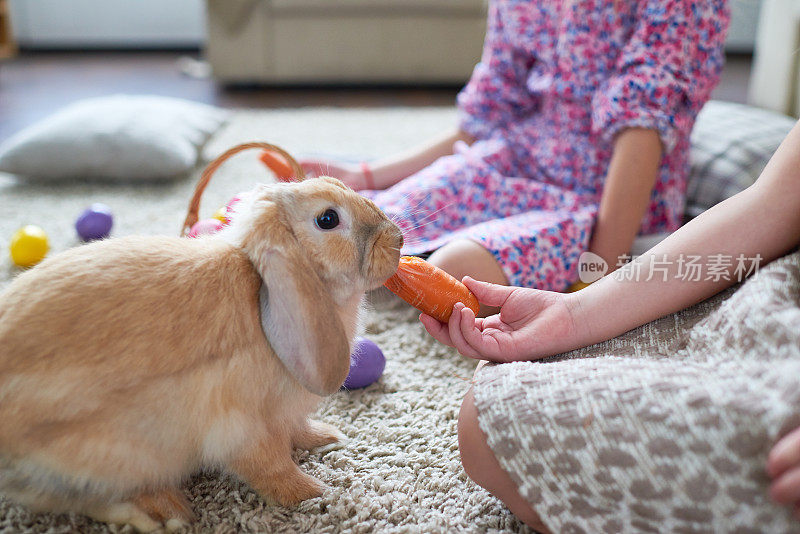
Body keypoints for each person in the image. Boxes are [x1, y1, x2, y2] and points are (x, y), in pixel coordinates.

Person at [421, 118, 800, 532]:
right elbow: (771, 205)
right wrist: (573, 313)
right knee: (495, 410)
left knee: (501, 431)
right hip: (777, 290)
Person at [302, 0, 730, 296]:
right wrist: (368, 176)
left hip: (602, 205)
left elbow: (643, 125)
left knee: (455, 271)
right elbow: (487, 115)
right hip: (518, 159)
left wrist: (597, 278)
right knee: (367, 225)